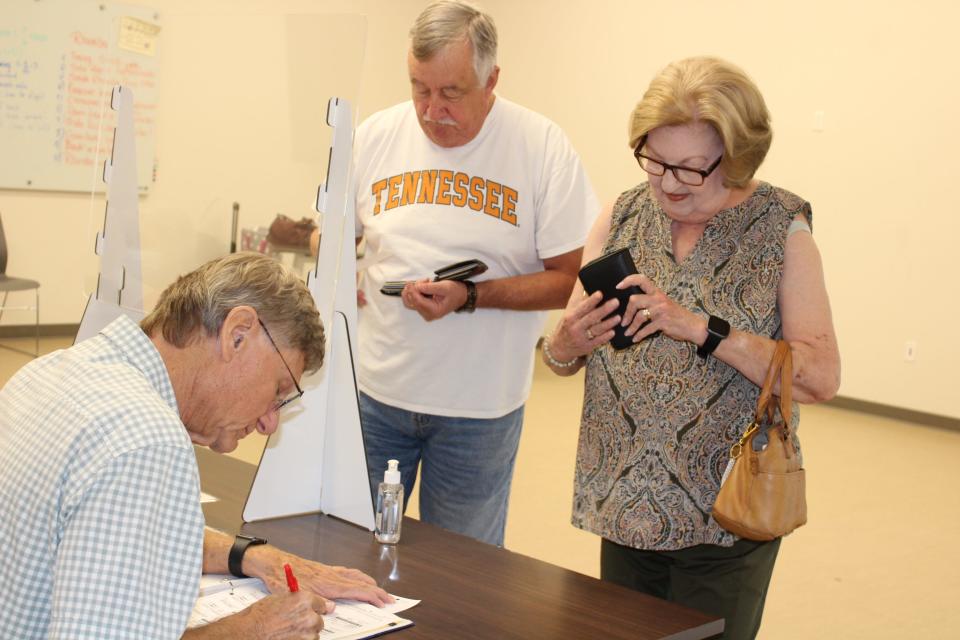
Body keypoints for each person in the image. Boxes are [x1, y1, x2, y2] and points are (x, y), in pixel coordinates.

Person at [543, 57, 841, 638]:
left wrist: (703, 328)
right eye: (654, 161)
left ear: (737, 159)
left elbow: (819, 376)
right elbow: (562, 354)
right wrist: (563, 343)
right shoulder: (623, 214)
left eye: (690, 169)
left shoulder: (782, 229)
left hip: (728, 510)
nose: (669, 183)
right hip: (625, 504)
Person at [0, 253, 391, 639]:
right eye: (278, 391)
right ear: (237, 333)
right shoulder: (147, 439)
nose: (269, 421)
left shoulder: (51, 372)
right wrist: (253, 630)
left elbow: (93, 527)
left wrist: (250, 555)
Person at [336, 0, 598, 548]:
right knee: (349, 548)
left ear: (491, 80)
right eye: (418, 88)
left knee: (462, 575)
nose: (432, 110)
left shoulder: (540, 147)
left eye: (451, 93)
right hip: (375, 394)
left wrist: (472, 295)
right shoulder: (376, 134)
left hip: (480, 409)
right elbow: (327, 238)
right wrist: (342, 267)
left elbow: (571, 277)